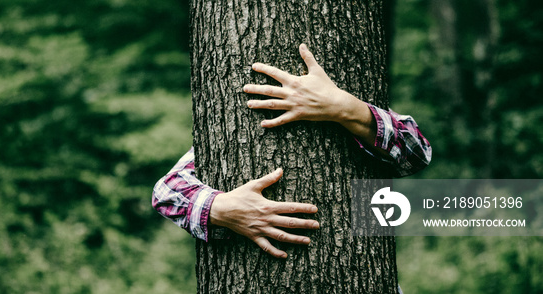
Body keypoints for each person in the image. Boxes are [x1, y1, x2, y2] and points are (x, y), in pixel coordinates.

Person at [152, 44, 432, 259]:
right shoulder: (224, 136)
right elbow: (166, 191)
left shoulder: (350, 111)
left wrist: (345, 108)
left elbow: (417, 152)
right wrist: (221, 208)